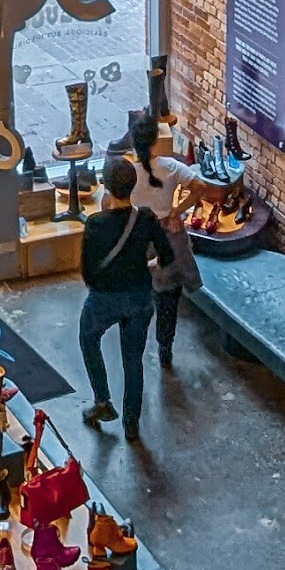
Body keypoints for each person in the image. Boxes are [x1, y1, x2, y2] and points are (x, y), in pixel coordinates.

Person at [78, 154, 174, 441]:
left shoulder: (95, 224)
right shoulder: (145, 218)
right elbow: (166, 257)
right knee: (133, 360)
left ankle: (102, 401)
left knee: (88, 339)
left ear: (105, 186)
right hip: (139, 298)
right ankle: (131, 423)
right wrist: (147, 266)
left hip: (104, 300)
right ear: (133, 185)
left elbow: (88, 275)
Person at [123, 115, 195, 370]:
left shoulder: (126, 171)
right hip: (166, 234)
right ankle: (165, 346)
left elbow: (110, 203)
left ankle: (132, 347)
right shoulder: (171, 166)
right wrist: (177, 211)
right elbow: (200, 187)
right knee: (167, 297)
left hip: (137, 238)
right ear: (155, 141)